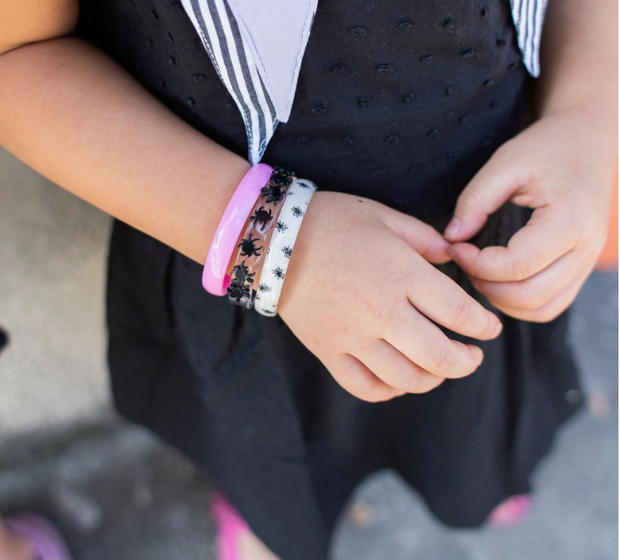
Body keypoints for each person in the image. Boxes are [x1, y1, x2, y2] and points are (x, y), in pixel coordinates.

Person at [0, 0, 616, 559]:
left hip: (489, 225)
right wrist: (278, 247)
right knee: (265, 456)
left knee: (463, 417)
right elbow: (17, 56)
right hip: (243, 261)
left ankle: (465, 468)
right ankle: (267, 516)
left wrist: (587, 115)